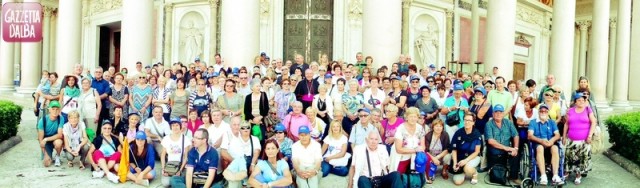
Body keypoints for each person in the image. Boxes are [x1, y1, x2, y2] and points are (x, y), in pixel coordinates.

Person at [563, 93, 597, 185]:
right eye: (579, 100)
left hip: (584, 140)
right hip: (571, 139)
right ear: (575, 102)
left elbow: (593, 122)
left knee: (581, 159)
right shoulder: (570, 110)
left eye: (583, 100)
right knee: (569, 157)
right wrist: (564, 136)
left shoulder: (588, 110)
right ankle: (567, 172)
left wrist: (590, 135)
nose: (581, 102)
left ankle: (578, 175)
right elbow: (566, 124)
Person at [485, 104, 521, 185]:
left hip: (507, 150)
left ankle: (513, 177)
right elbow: (490, 141)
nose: (498, 114)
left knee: (515, 154)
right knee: (496, 172)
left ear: (503, 114)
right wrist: (507, 148)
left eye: (500, 112)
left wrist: (515, 148)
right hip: (494, 150)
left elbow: (516, 135)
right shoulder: (489, 124)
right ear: (493, 114)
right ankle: (498, 173)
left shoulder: (508, 122)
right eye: (496, 112)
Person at [528, 104, 563, 185]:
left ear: (548, 113)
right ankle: (543, 175)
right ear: (539, 112)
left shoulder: (552, 122)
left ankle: (555, 175)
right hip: (538, 144)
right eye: (541, 111)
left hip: (550, 143)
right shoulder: (533, 122)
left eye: (545, 111)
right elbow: (530, 135)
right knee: (540, 148)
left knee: (555, 148)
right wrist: (541, 141)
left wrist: (551, 141)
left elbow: (557, 135)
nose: (543, 112)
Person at [222, 121, 261, 188]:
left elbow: (256, 152)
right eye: (243, 128)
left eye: (248, 127)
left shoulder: (255, 139)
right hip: (237, 163)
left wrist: (253, 164)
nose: (245, 129)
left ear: (250, 128)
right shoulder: (235, 139)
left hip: (250, 162)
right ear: (239, 129)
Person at [389, 107, 426, 173]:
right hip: (401, 156)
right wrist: (414, 150)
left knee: (425, 159)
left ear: (417, 118)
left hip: (415, 155)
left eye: (415, 117)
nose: (413, 119)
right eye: (411, 116)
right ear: (406, 117)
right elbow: (399, 149)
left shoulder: (420, 128)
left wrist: (418, 151)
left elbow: (423, 146)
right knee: (399, 176)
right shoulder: (401, 128)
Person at [449, 113, 482, 185]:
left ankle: (474, 173)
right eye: (465, 120)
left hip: (473, 157)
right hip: (460, 158)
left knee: (467, 168)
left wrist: (466, 160)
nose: (467, 122)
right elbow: (454, 149)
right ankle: (463, 171)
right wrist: (455, 163)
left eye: (469, 120)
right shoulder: (458, 133)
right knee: (457, 182)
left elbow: (477, 152)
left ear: (473, 122)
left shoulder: (477, 134)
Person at [161, 118, 192, 187]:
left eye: (177, 125)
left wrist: (180, 170)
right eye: (173, 125)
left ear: (180, 126)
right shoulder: (166, 139)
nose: (175, 127)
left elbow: (185, 157)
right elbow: (163, 155)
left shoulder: (185, 139)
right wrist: (163, 169)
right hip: (170, 166)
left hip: (181, 166)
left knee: (180, 179)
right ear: (170, 127)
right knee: (166, 183)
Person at [38, 100, 66, 167]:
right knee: (46, 164)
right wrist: (45, 153)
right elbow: (40, 140)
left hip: (54, 139)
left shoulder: (60, 118)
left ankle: (57, 156)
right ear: (49, 109)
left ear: (59, 110)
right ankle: (47, 155)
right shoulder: (43, 120)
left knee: (59, 143)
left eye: (57, 109)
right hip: (46, 141)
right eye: (53, 109)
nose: (55, 111)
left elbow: (59, 135)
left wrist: (46, 139)